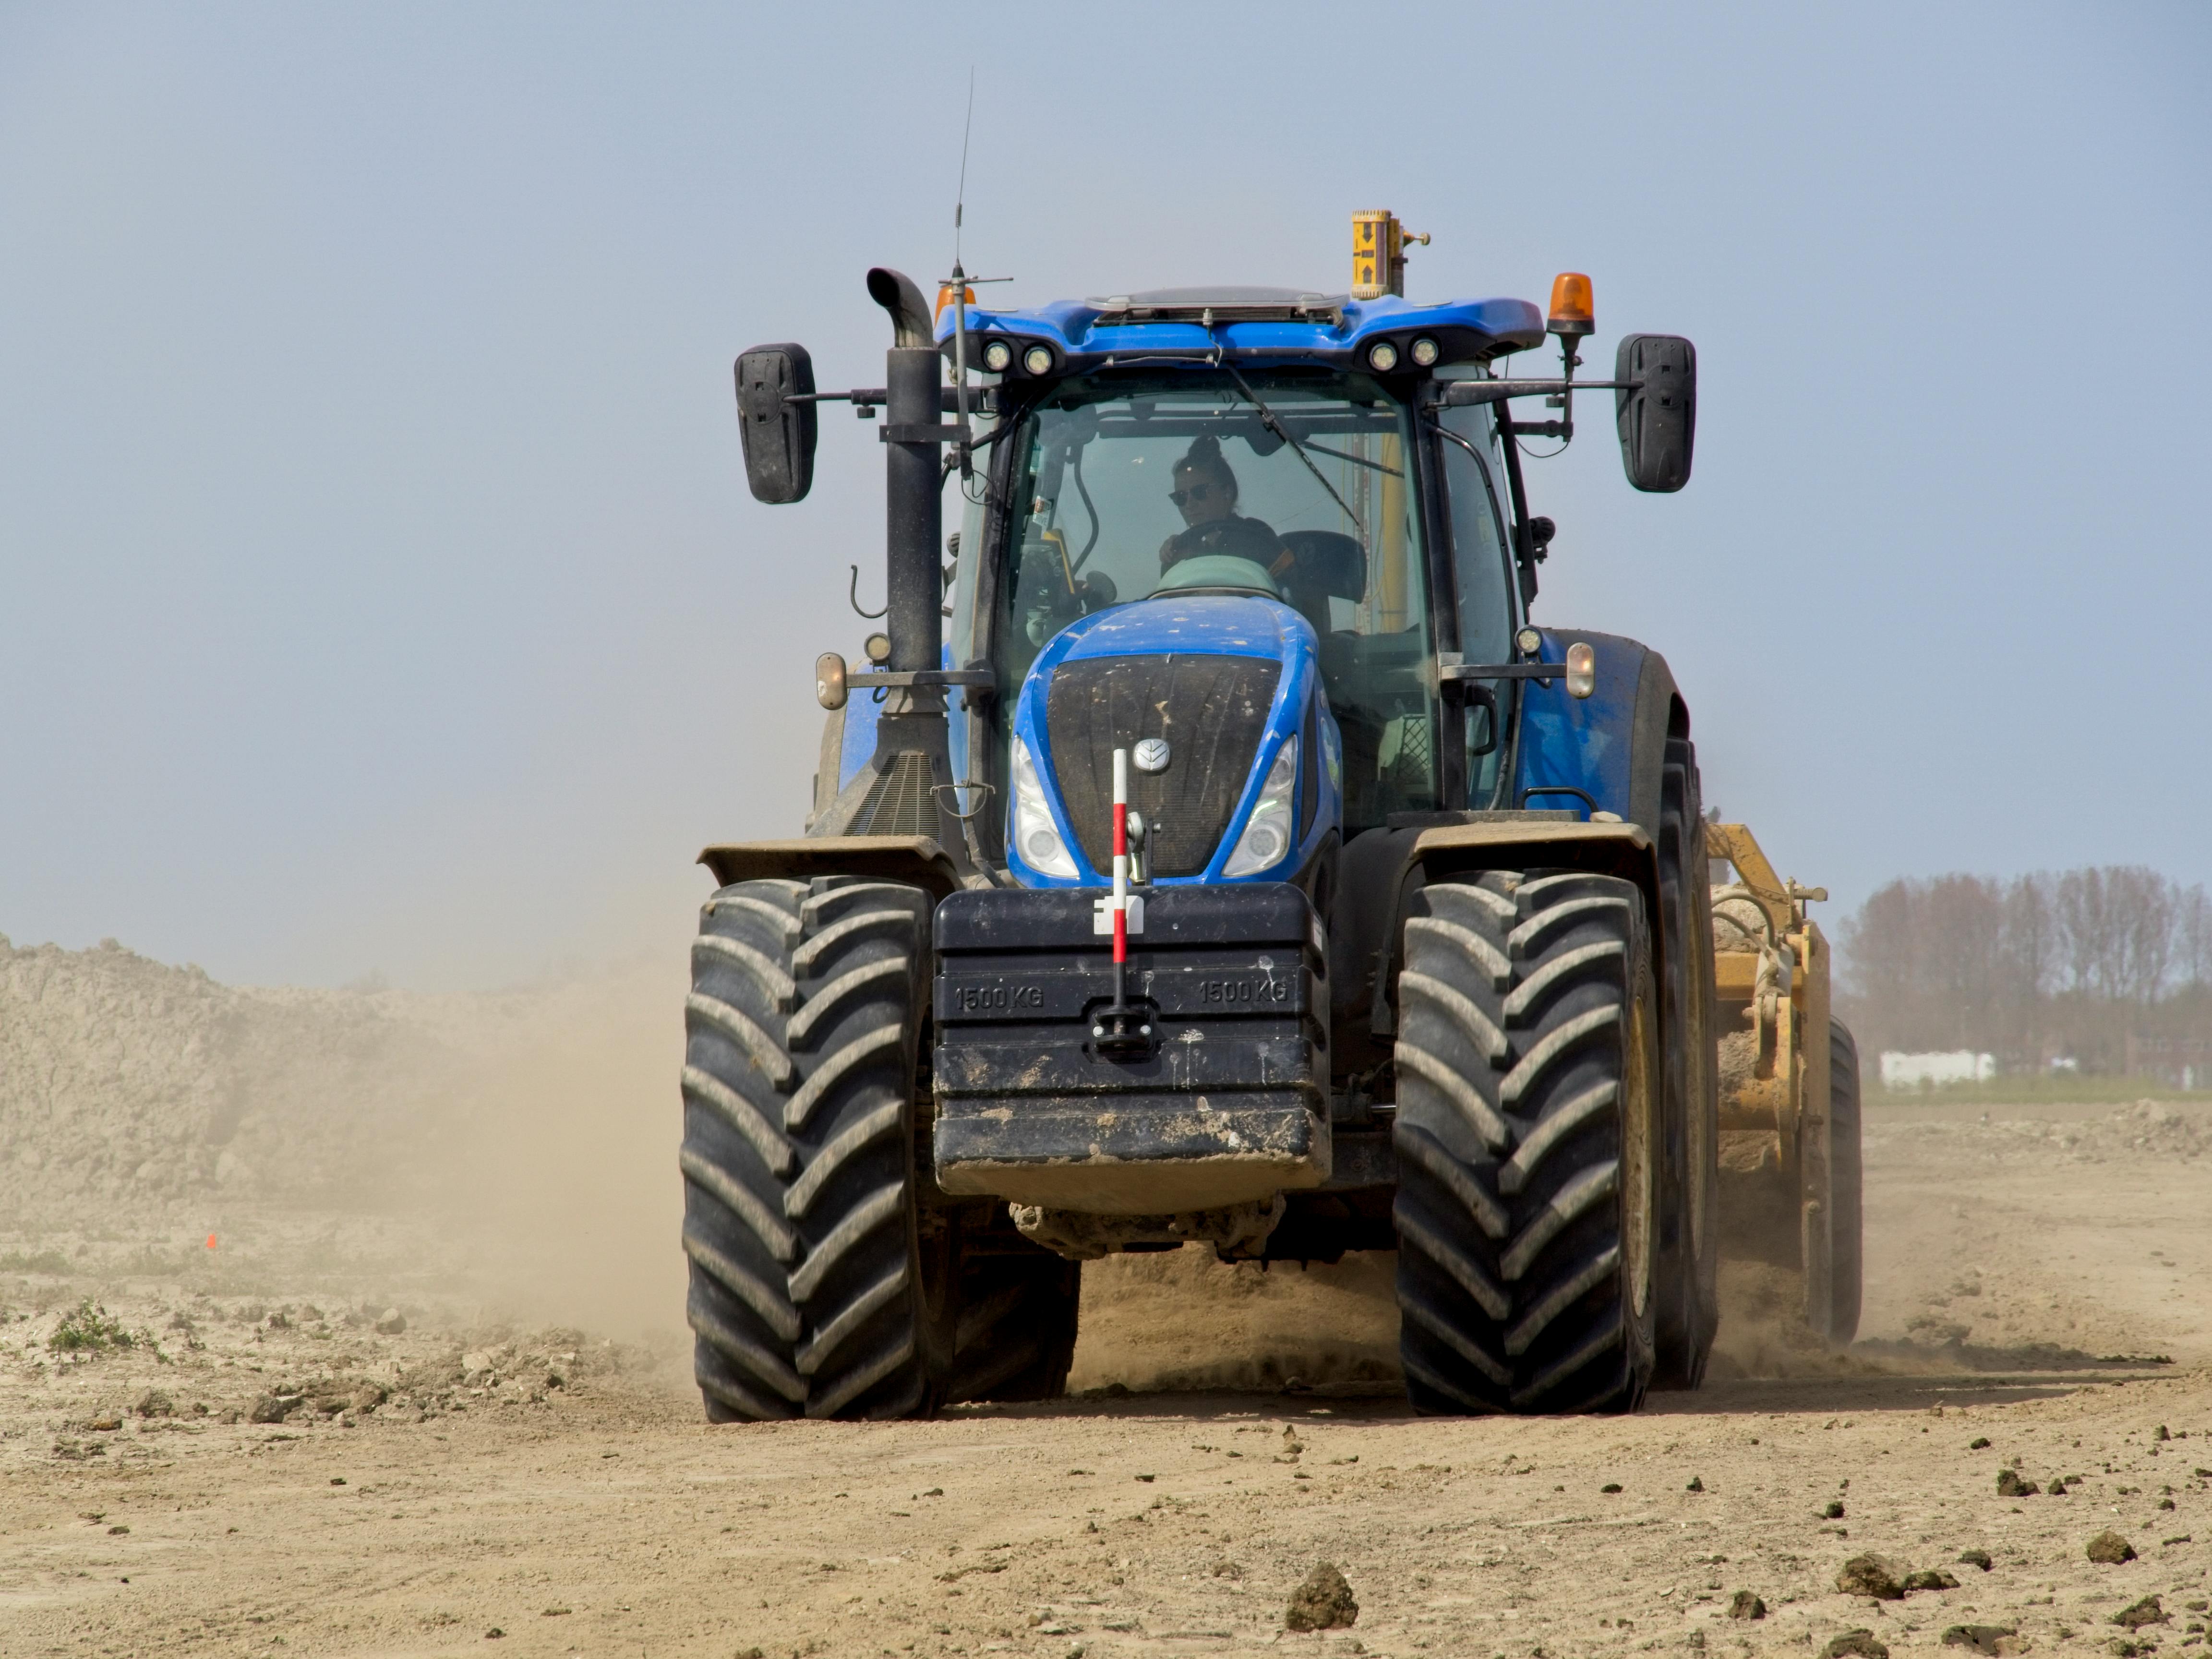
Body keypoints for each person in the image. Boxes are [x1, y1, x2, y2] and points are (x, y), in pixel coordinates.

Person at [1157, 435, 1287, 577]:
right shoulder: (1182, 551)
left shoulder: (1256, 535)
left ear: (1227, 492)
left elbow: (1286, 585)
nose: (1189, 504)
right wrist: (1177, 552)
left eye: (1199, 492)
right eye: (1180, 497)